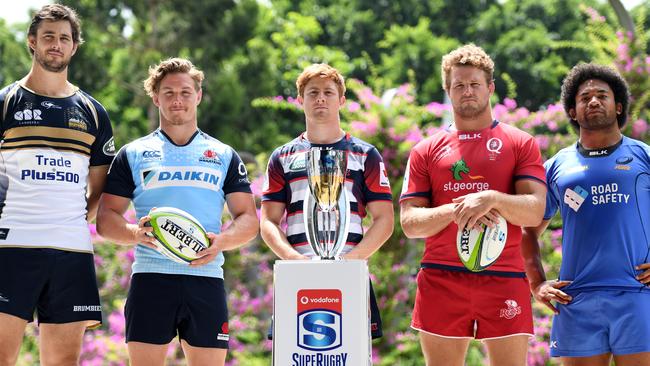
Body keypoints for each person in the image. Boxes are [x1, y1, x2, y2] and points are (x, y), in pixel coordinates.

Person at [95, 58, 258, 366]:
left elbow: (248, 219)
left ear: (198, 95)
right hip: (151, 279)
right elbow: (106, 219)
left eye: (185, 92)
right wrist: (134, 233)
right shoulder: (132, 154)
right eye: (168, 93)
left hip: (205, 279)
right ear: (155, 98)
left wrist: (222, 242)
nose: (177, 100)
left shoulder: (223, 155)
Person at [399, 44, 547, 366]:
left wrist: (491, 198)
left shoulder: (520, 142)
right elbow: (409, 223)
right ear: (447, 90)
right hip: (441, 278)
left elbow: (535, 209)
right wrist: (457, 209)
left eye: (475, 84)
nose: (467, 91)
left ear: (490, 88)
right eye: (459, 85)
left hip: (504, 276)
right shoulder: (425, 150)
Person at [0, 4, 115, 365]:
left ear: (74, 47)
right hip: (11, 248)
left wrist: (70, 222)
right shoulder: (5, 102)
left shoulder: (93, 112)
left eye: (64, 38)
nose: (56, 43)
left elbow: (99, 189)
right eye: (48, 36)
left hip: (71, 252)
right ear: (32, 41)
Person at [522, 63, 650, 366]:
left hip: (636, 295)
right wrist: (537, 282)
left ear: (618, 106)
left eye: (602, 95)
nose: (593, 101)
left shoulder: (644, 156)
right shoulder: (556, 167)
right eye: (585, 97)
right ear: (572, 112)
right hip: (576, 300)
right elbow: (526, 231)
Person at [260, 63, 394, 340]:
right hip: (297, 277)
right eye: (312, 93)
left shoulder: (365, 155)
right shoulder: (282, 157)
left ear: (341, 100)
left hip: (350, 276)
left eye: (328, 92)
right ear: (300, 100)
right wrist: (294, 261)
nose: (320, 98)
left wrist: (349, 262)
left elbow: (385, 219)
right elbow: (268, 222)